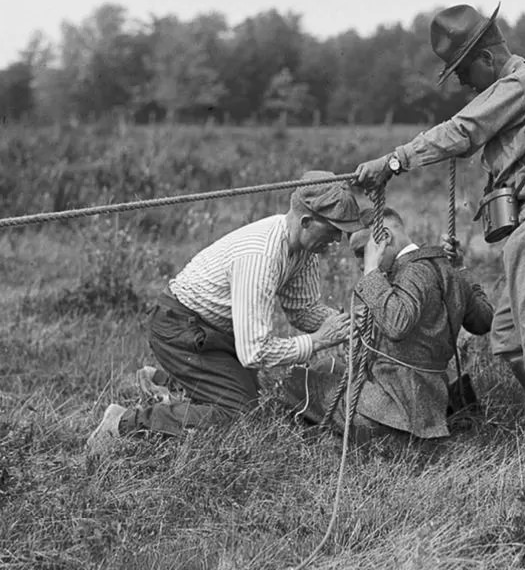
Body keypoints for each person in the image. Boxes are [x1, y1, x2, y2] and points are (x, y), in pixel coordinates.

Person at [354, 4, 525, 450]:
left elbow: (462, 131)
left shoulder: (523, 82)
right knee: (508, 338)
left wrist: (393, 162)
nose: (463, 84)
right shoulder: (523, 86)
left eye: (463, 71)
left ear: (486, 57)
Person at [86, 171, 363, 454]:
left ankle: (163, 380)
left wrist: (341, 324)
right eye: (332, 230)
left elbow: (302, 309)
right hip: (180, 329)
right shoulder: (262, 256)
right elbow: (254, 352)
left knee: (264, 399)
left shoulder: (303, 250)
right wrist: (317, 341)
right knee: (241, 417)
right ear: (306, 222)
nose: (337, 240)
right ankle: (124, 423)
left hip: (213, 333)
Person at [283, 207, 493, 443]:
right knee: (326, 366)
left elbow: (397, 325)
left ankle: (326, 437)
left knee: (292, 381)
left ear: (384, 238)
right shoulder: (447, 269)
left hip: (393, 414)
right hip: (428, 403)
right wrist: (462, 269)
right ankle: (329, 431)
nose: (361, 264)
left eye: (363, 252)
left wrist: (372, 272)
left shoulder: (412, 272)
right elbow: (484, 321)